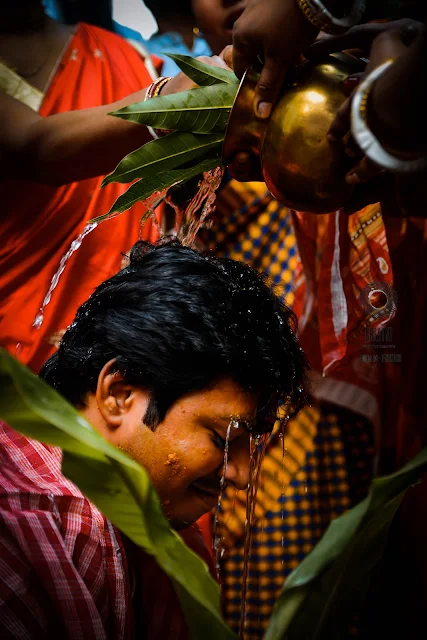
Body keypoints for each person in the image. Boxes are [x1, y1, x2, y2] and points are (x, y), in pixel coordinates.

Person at [0, 240, 308, 638]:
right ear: (119, 393)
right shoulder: (40, 523)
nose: (243, 476)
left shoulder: (164, 536)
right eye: (221, 437)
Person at [0, 0, 226, 373]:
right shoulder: (154, 77)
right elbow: (36, 149)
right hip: (16, 354)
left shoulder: (124, 55)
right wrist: (166, 101)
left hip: (131, 333)